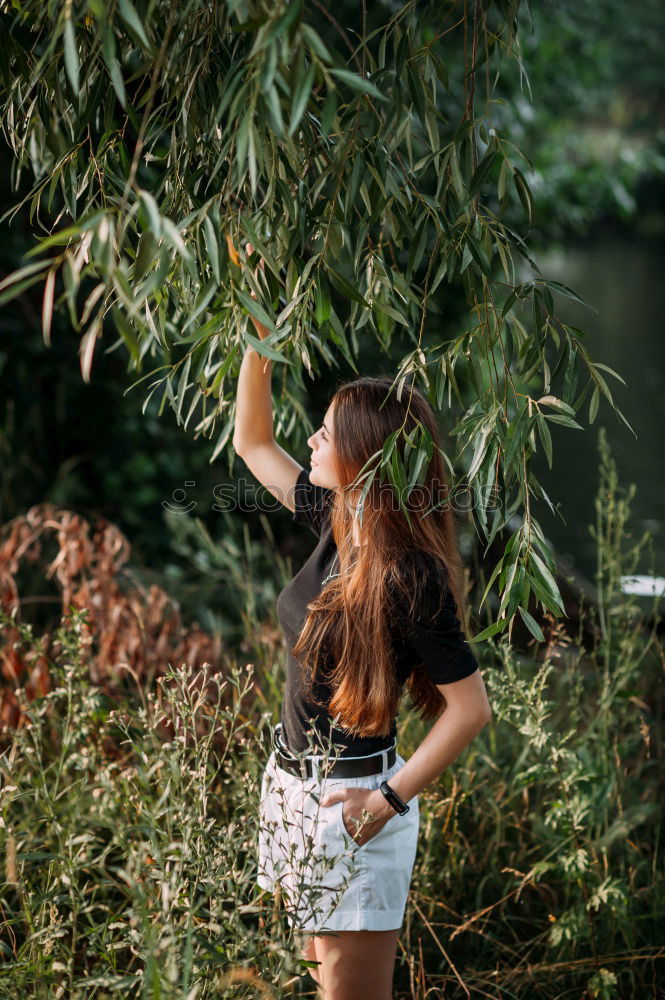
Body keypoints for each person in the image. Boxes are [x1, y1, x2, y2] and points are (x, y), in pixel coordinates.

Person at [232, 244, 492, 1000]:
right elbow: (252, 442)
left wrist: (387, 802)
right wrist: (257, 331)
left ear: (363, 457)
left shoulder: (410, 577)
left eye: (325, 433)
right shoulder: (336, 520)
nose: (312, 441)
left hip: (353, 803)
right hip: (289, 787)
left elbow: (469, 710)